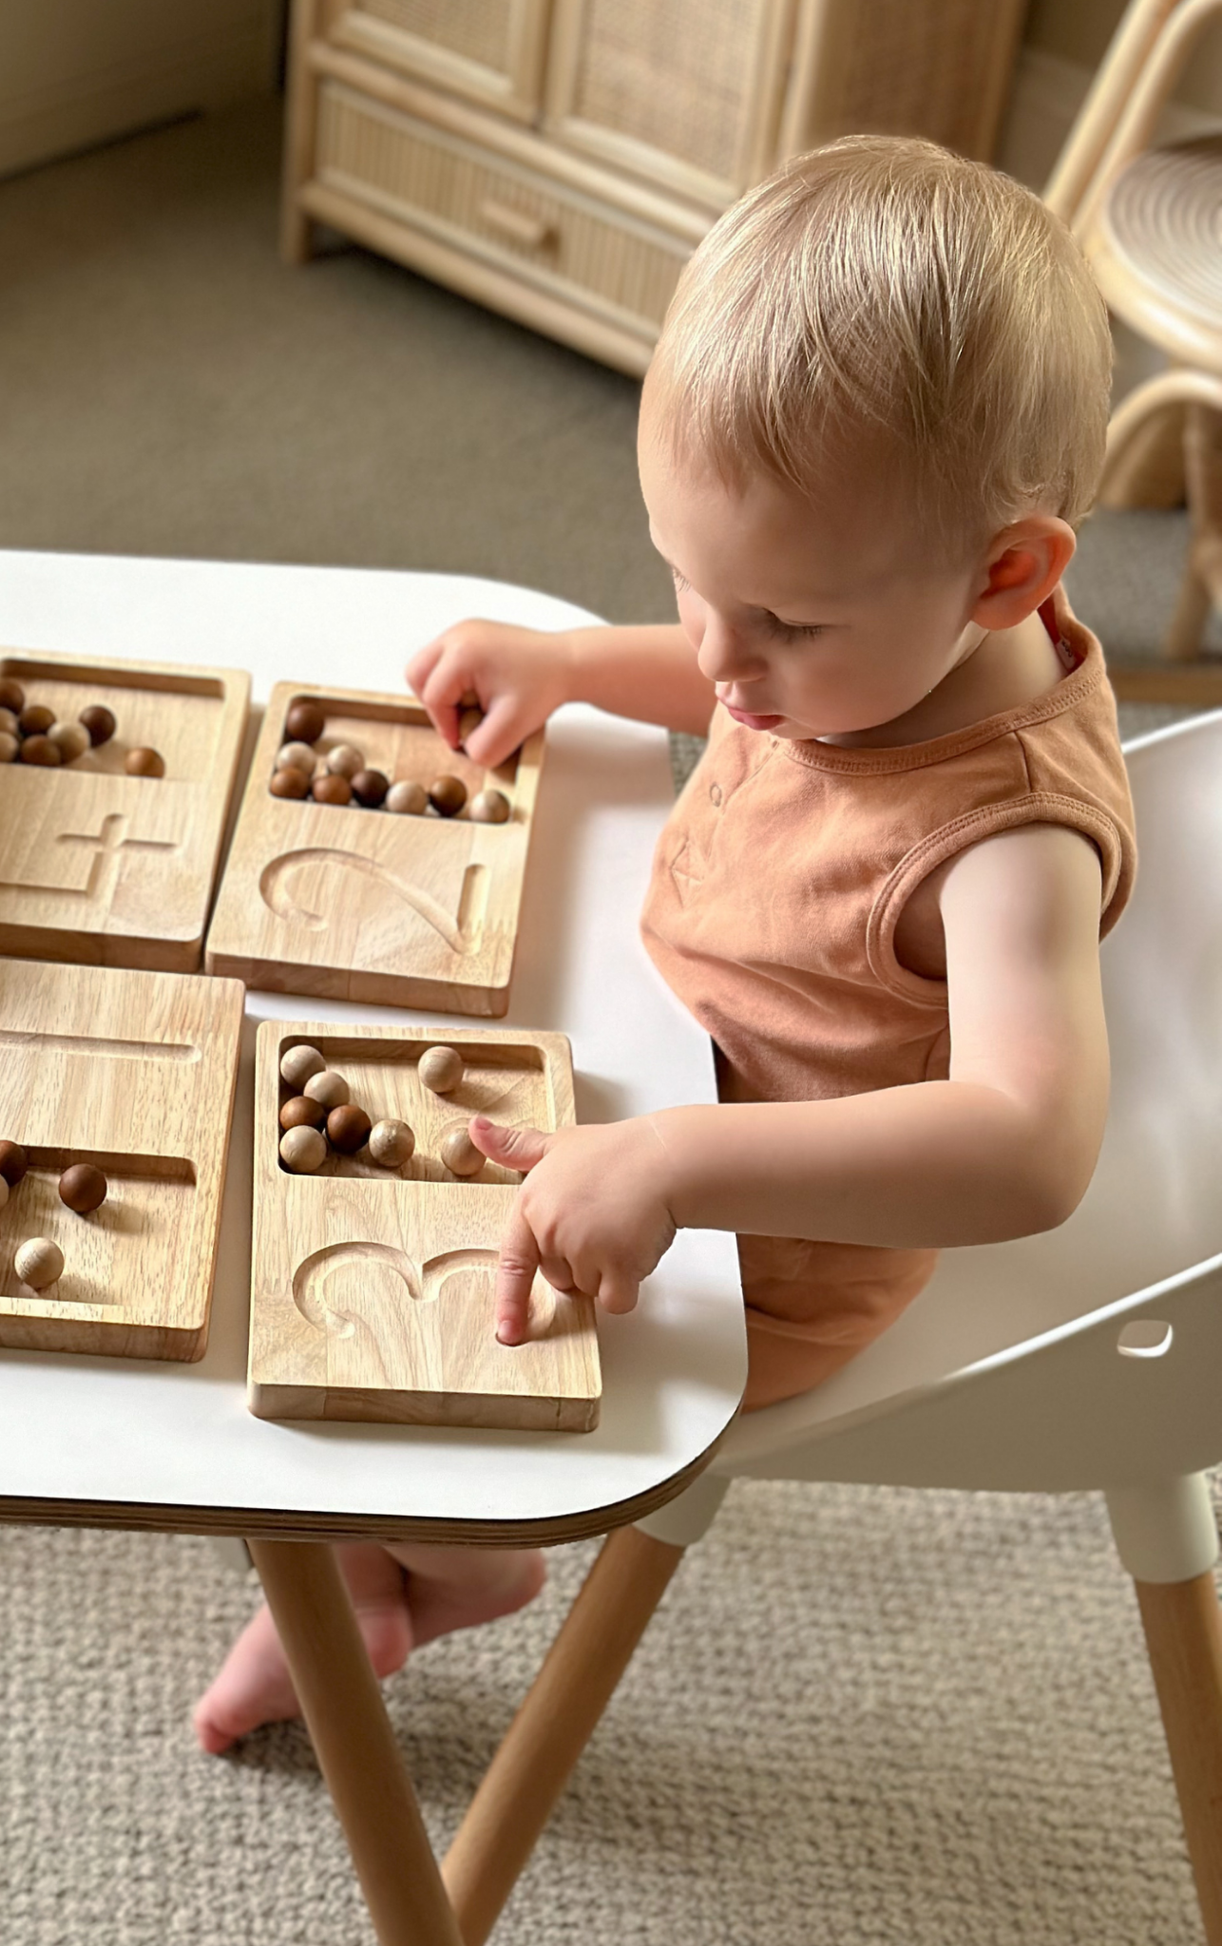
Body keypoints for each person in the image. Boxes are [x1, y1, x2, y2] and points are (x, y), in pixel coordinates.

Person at [194, 134, 1136, 1755]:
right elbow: (721, 671)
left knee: (377, 1313)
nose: (717, 651)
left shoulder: (1009, 836)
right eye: (685, 580)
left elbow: (1030, 1146)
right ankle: (378, 1544)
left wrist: (685, 1165)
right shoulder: (863, 637)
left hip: (760, 1251)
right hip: (660, 1053)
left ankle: (437, 1561)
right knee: (274, 1091)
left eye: (779, 620)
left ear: (1005, 576)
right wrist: (568, 659)